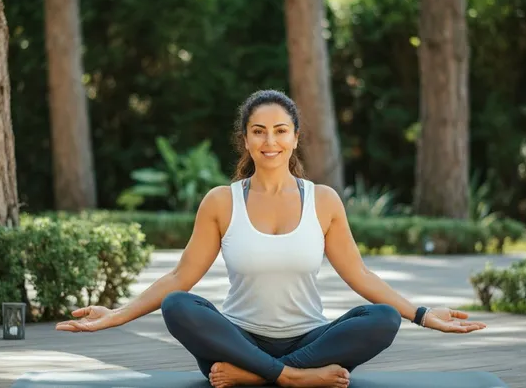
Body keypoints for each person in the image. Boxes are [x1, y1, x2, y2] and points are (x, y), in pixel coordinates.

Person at [56, 90, 487, 388]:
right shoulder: (222, 202)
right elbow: (179, 277)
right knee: (178, 306)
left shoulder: (323, 200)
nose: (270, 141)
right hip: (235, 342)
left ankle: (261, 375)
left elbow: (358, 274)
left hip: (307, 343)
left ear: (295, 137)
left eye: (281, 130)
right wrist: (116, 315)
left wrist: (423, 314)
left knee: (382, 318)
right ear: (245, 139)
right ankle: (291, 379)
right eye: (259, 131)